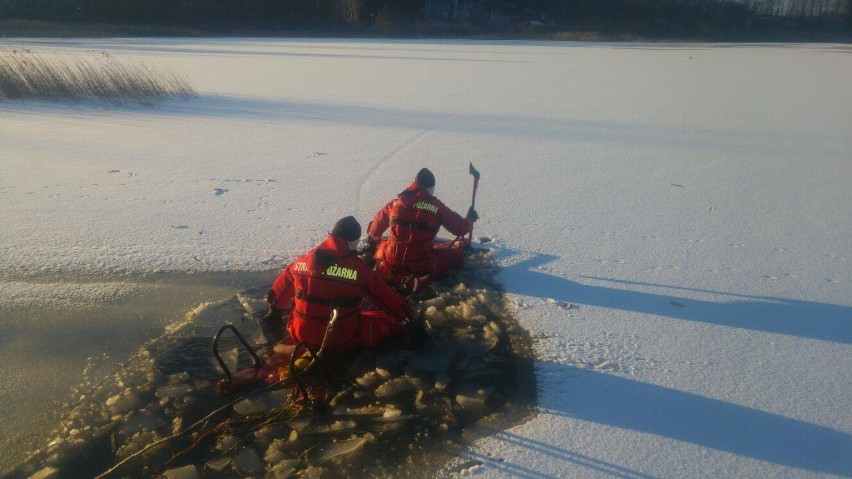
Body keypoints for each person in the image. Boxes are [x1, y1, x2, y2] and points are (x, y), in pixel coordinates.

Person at [263, 216, 414, 353]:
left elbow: (278, 293)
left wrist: (274, 310)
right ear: (352, 242)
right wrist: (408, 317)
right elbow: (387, 298)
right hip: (337, 340)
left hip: (298, 334)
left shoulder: (301, 262)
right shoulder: (360, 271)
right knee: (385, 322)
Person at [366, 167, 478, 290]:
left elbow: (374, 231)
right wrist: (469, 219)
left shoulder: (395, 203)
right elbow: (461, 229)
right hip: (420, 261)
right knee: (455, 254)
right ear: (431, 189)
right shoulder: (436, 207)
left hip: (390, 257)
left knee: (383, 245)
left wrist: (372, 242)